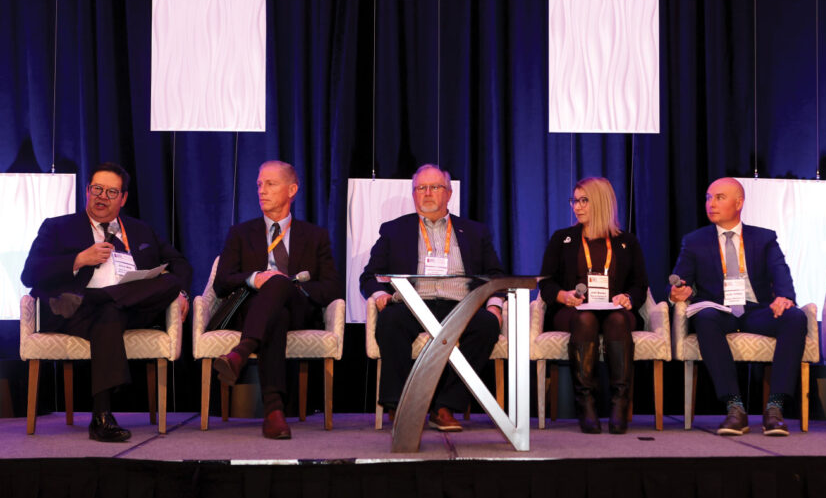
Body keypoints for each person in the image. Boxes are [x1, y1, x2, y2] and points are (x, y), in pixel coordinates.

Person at [21, 162, 192, 442]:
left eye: (111, 192)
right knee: (110, 314)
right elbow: (30, 274)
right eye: (97, 189)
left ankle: (107, 297)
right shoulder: (58, 227)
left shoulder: (140, 231)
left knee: (168, 284)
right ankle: (101, 416)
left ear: (123, 198)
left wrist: (182, 294)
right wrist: (79, 259)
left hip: (129, 306)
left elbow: (179, 264)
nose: (102, 197)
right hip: (73, 310)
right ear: (88, 191)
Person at [359, 164, 504, 432]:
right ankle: (399, 404)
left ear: (448, 194)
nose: (427, 193)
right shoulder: (394, 230)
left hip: (460, 306)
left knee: (486, 325)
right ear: (414, 194)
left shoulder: (474, 231)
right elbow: (369, 276)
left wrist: (495, 306)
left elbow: (495, 274)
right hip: (414, 304)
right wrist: (380, 294)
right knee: (390, 321)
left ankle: (445, 406)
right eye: (421, 188)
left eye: (435, 187)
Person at [212, 160, 342, 440]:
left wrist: (293, 288)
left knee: (281, 284)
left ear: (292, 189)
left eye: (270, 184)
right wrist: (254, 278)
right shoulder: (240, 233)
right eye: (259, 184)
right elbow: (221, 282)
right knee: (276, 315)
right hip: (252, 309)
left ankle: (241, 353)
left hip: (299, 306)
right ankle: (274, 411)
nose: (262, 190)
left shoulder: (315, 236)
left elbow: (332, 286)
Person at [669, 177, 806, 436]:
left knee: (795, 317)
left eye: (720, 197)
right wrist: (678, 292)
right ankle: (735, 409)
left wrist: (784, 297)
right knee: (705, 318)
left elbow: (781, 272)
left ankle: (775, 408)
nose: (711, 203)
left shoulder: (763, 238)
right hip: (719, 311)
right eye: (709, 197)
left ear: (739, 203)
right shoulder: (695, 240)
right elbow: (679, 281)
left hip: (756, 310)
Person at [538, 177, 648, 434]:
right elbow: (546, 283)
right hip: (573, 311)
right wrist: (563, 296)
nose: (577, 206)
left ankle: (620, 402)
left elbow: (640, 285)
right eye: (574, 201)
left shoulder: (627, 242)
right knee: (586, 317)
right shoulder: (562, 238)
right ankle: (585, 403)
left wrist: (628, 299)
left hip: (614, 311)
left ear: (600, 202)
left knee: (618, 320)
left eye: (584, 200)